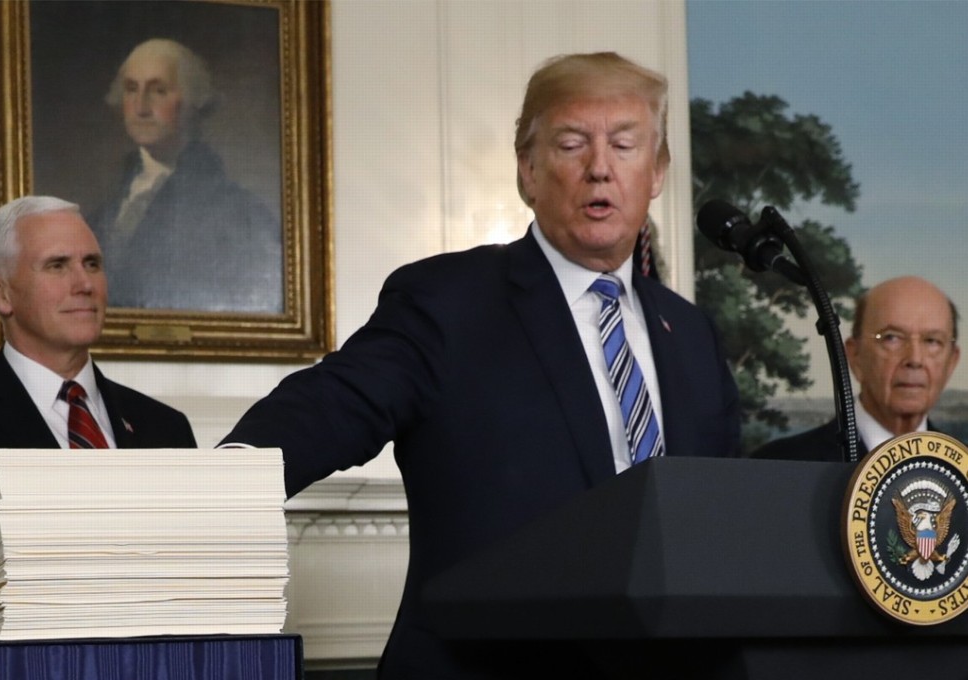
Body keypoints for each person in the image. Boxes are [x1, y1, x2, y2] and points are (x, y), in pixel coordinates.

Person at [221, 52, 741, 678]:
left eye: (625, 146)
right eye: (572, 144)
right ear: (527, 169)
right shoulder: (447, 303)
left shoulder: (690, 334)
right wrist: (193, 499)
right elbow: (323, 413)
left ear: (656, 171)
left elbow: (718, 525)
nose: (599, 168)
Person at [0, 195, 198, 486]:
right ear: (0, 292)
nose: (85, 284)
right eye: (57, 265)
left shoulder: (166, 428)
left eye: (92, 264)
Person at [88, 38, 282, 313]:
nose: (141, 106)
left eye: (158, 91)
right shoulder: (105, 208)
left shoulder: (238, 213)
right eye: (132, 89)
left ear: (192, 100)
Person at [752, 276, 960, 462]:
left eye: (933, 341)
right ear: (855, 355)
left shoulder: (963, 470)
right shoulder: (780, 465)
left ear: (951, 362)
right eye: (892, 338)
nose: (914, 359)